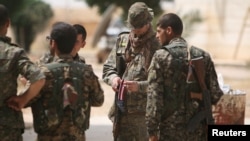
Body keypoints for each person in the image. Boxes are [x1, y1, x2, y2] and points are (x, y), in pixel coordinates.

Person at [145, 13, 224, 141]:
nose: (157, 35)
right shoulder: (203, 56)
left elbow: (154, 98)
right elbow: (216, 95)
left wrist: (152, 131)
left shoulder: (160, 57)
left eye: (159, 31)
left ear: (169, 30)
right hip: (197, 132)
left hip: (170, 132)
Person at [30, 22, 104, 141]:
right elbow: (98, 99)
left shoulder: (44, 71)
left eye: (77, 42)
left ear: (54, 43)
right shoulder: (85, 71)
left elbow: (28, 98)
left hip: (57, 134)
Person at [102, 2, 160, 141]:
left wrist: (139, 86)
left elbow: (164, 83)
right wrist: (114, 79)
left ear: (148, 23)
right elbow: (108, 68)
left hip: (145, 118)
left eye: (139, 27)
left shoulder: (158, 45)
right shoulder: (123, 40)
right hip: (122, 114)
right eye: (133, 27)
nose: (135, 30)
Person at [0, 4, 45, 141]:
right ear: (8, 23)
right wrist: (23, 99)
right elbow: (39, 78)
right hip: (6, 127)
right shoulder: (13, 53)